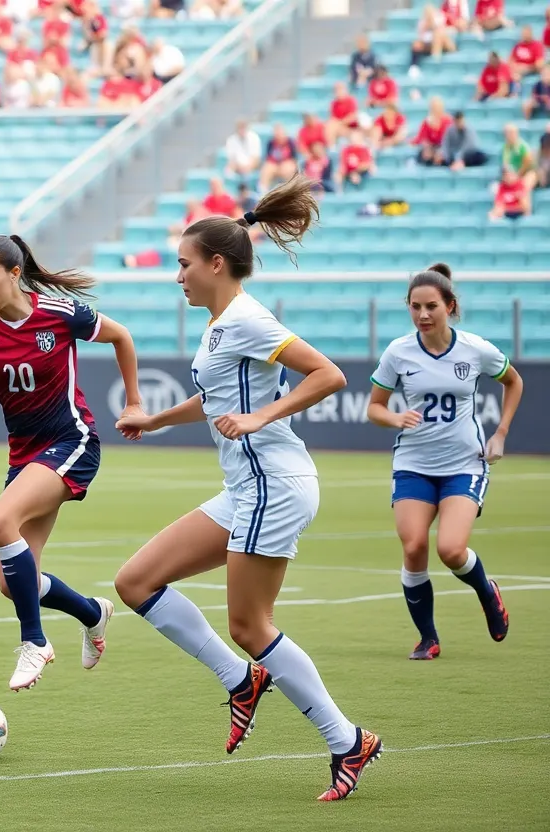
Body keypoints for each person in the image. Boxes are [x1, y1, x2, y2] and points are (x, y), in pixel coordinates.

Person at [114, 177, 382, 802]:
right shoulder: (218, 325)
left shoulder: (248, 319)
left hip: (273, 484)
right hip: (247, 485)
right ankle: (242, 682)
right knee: (136, 582)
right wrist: (154, 419)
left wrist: (264, 417)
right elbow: (216, 399)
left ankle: (348, 742)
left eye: (184, 264)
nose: (177, 275)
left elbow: (329, 374)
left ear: (215, 263)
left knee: (250, 623)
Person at [0, 234, 146, 692]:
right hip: (25, 454)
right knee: (15, 584)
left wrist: (133, 402)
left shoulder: (61, 313)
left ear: (14, 274)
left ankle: (34, 640)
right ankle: (93, 613)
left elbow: (121, 337)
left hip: (73, 440)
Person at [367, 263, 522, 660]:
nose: (422, 314)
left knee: (451, 550)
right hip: (413, 463)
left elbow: (513, 381)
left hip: (463, 465)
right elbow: (374, 408)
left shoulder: (475, 349)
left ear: (450, 306)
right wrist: (394, 418)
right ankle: (428, 638)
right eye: (415, 306)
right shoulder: (398, 352)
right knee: (414, 545)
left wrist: (500, 432)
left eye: (431, 306)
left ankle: (488, 593)